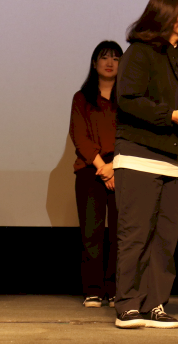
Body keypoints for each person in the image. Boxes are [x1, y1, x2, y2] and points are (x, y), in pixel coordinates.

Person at [113, 0, 178, 330]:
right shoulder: (139, 52)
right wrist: (168, 114)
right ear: (169, 14)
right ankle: (127, 304)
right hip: (139, 156)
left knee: (165, 239)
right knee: (135, 235)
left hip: (177, 161)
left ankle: (154, 303)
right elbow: (127, 99)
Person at [69, 40, 123, 308]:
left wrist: (114, 166)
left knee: (119, 233)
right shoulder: (82, 98)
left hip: (122, 169)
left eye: (115, 57)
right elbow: (79, 135)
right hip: (91, 170)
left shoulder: (128, 99)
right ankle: (93, 289)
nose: (110, 62)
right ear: (94, 63)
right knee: (91, 233)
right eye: (104, 57)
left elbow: (130, 135)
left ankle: (114, 288)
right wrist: (103, 167)